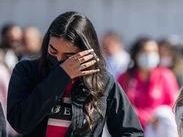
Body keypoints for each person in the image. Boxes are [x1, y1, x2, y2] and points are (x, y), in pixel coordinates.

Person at [7, 12, 144, 137]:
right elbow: (20, 124)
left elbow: (131, 132)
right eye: (53, 51)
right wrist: (60, 77)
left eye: (69, 56)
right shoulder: (27, 71)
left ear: (86, 53)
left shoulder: (102, 82)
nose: (59, 59)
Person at [118, 37, 179, 129]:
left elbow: (173, 104)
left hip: (158, 127)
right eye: (145, 52)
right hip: (132, 126)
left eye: (154, 51)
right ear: (136, 54)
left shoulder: (166, 75)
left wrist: (156, 118)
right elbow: (118, 104)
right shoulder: (125, 78)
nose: (150, 55)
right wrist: (142, 118)